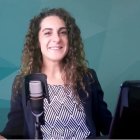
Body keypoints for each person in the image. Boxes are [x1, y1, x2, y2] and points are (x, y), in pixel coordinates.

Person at [0, 7, 112, 139]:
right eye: (48, 33)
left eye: (63, 32)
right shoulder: (23, 83)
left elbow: (107, 124)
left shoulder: (88, 77)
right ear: (37, 41)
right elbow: (13, 131)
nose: (57, 39)